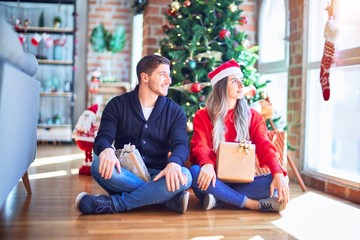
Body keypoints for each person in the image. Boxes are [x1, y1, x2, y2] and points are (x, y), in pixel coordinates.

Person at [75, 54, 192, 214]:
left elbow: (181, 145)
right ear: (145, 77)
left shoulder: (175, 111)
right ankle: (166, 198)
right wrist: (106, 150)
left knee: (185, 175)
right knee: (97, 164)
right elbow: (103, 137)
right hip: (125, 172)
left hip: (160, 172)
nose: (169, 80)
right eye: (162, 74)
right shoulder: (117, 105)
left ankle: (115, 204)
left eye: (169, 74)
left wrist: (174, 163)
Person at [189, 60, 290, 212]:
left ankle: (218, 199)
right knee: (195, 172)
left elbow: (265, 145)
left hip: (242, 181)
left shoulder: (253, 116)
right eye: (235, 81)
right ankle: (251, 204)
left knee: (281, 178)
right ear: (222, 86)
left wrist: (277, 172)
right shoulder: (203, 115)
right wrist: (207, 164)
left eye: (241, 81)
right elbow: (200, 145)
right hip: (213, 178)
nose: (241, 85)